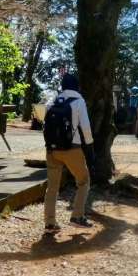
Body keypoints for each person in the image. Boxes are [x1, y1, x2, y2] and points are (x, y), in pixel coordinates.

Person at [43, 73, 94, 233]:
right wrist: (90, 147)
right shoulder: (79, 101)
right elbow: (85, 127)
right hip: (72, 149)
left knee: (52, 187)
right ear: (77, 86)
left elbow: (45, 124)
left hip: (52, 149)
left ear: (63, 86)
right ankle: (77, 216)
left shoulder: (52, 101)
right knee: (84, 181)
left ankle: (50, 223)